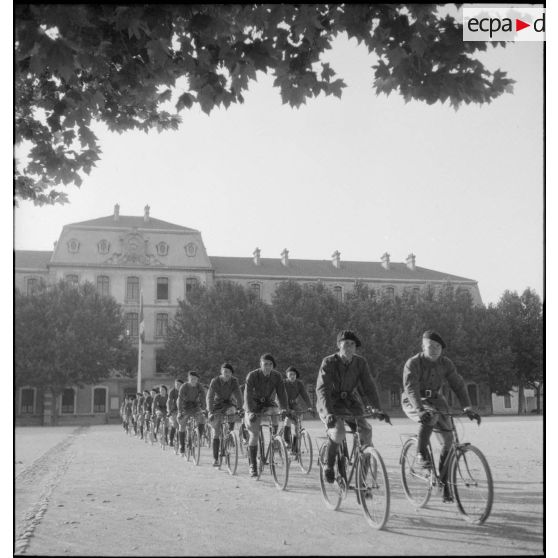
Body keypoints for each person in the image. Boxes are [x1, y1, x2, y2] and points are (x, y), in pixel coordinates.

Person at [401, 330, 478, 502]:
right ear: (423, 347)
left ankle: (444, 484)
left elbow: (457, 384)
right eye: (431, 346)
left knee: (449, 442)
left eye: (438, 347)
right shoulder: (412, 363)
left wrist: (467, 407)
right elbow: (411, 388)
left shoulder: (446, 363)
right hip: (413, 400)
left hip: (436, 399)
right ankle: (421, 453)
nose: (435, 349)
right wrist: (420, 409)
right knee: (430, 416)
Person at [316, 330, 389, 484]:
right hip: (330, 403)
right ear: (338, 345)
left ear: (356, 347)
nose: (349, 347)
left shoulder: (360, 363)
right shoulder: (328, 362)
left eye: (353, 344)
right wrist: (328, 412)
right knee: (339, 431)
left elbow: (369, 386)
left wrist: (377, 407)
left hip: (350, 402)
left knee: (366, 430)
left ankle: (362, 477)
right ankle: (329, 466)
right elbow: (322, 389)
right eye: (346, 343)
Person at [243, 353, 288, 478]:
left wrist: (284, 409)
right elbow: (247, 395)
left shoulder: (277, 376)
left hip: (267, 402)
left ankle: (274, 437)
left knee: (275, 412)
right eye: (265, 364)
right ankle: (252, 465)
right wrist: (251, 411)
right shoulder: (252, 375)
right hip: (252, 405)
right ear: (260, 364)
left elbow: (282, 394)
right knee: (254, 434)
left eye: (270, 364)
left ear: (273, 366)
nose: (268, 366)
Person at [207, 363, 244, 467]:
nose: (226, 374)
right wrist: (210, 411)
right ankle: (215, 459)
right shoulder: (215, 381)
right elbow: (210, 397)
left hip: (229, 403)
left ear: (231, 374)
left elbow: (238, 395)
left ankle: (230, 434)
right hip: (217, 405)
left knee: (232, 411)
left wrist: (241, 408)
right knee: (216, 433)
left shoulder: (234, 381)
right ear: (221, 372)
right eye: (225, 371)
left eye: (229, 372)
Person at [282, 366, 313, 455]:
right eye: (290, 374)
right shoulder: (283, 383)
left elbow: (305, 395)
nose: (292, 376)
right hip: (284, 404)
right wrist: (285, 408)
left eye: (294, 374)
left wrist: (309, 406)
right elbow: (279, 396)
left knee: (298, 424)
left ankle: (295, 448)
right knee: (287, 419)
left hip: (294, 405)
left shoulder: (299, 383)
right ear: (287, 375)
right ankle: (287, 441)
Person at [177, 371, 207, 456]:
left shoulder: (199, 386)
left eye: (195, 379)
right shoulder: (184, 386)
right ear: (188, 379)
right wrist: (179, 411)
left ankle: (198, 437)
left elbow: (203, 398)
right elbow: (179, 399)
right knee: (182, 424)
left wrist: (204, 409)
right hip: (184, 405)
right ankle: (182, 446)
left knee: (202, 419)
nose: (193, 380)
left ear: (197, 380)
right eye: (192, 379)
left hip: (195, 405)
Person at [167, 378, 184, 447]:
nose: (178, 386)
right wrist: (169, 410)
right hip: (174, 410)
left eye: (179, 384)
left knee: (183, 425)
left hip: (183, 410)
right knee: (175, 424)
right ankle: (170, 439)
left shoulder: (185, 390)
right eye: (177, 384)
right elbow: (169, 401)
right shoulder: (172, 391)